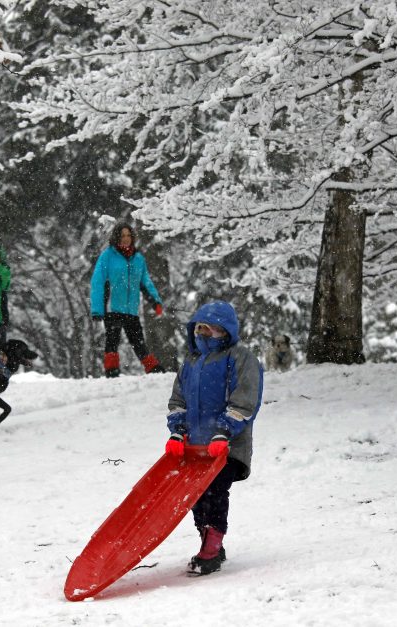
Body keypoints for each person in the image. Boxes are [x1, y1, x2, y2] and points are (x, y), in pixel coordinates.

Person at [164, 301, 263, 575]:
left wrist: (225, 430)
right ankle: (210, 542)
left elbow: (245, 400)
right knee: (196, 496)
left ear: (226, 331)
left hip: (228, 445)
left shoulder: (240, 358)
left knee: (215, 490)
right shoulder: (191, 362)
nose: (204, 334)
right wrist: (177, 431)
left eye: (212, 329)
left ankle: (211, 550)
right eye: (200, 328)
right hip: (196, 448)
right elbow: (178, 399)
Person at [89, 222, 165, 377]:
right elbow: (97, 282)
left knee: (138, 342)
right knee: (112, 341)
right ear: (117, 237)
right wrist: (97, 309)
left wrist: (155, 301)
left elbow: (145, 282)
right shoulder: (107, 256)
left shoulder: (138, 259)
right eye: (123, 235)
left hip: (131, 309)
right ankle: (111, 372)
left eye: (128, 235)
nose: (126, 239)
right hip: (113, 308)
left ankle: (154, 371)